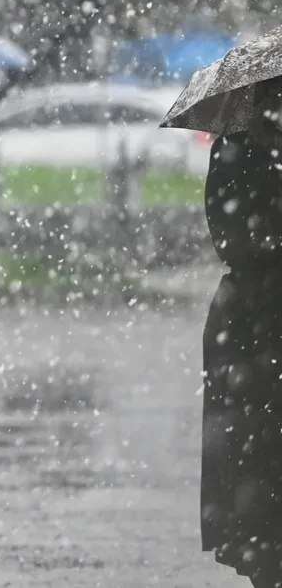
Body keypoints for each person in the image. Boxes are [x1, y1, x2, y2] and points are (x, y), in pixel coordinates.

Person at [201, 77, 282, 588]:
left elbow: (230, 226)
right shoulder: (242, 141)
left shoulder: (241, 133)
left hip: (253, 320)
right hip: (256, 321)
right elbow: (231, 230)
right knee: (257, 452)